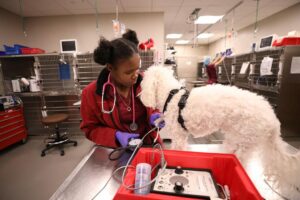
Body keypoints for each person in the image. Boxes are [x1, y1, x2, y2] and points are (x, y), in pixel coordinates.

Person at [80, 31, 164, 148]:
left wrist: (155, 116)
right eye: (129, 72)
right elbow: (89, 129)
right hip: (117, 149)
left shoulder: (147, 83)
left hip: (149, 143)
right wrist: (116, 135)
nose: (135, 75)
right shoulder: (91, 93)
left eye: (137, 69)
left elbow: (157, 106)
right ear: (110, 67)